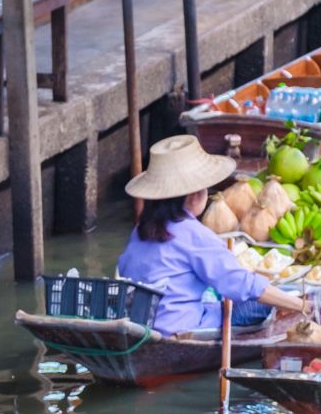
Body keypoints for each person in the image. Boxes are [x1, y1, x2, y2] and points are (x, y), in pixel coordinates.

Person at [116, 135, 308, 337]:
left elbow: (125, 269)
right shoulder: (194, 234)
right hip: (183, 327)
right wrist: (301, 304)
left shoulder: (140, 229)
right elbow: (240, 284)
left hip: (141, 322)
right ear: (194, 194)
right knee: (259, 306)